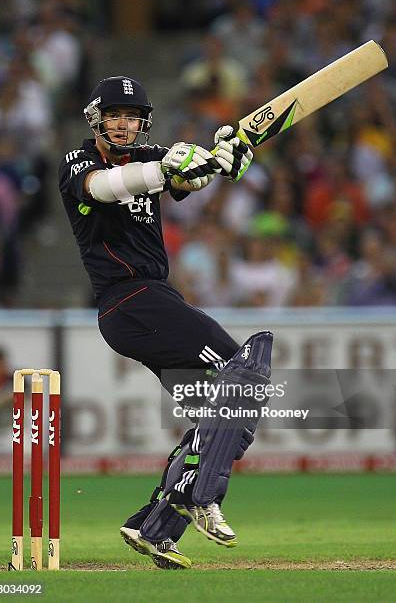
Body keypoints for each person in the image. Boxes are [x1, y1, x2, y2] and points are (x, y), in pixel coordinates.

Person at [58, 76, 254, 569]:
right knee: (241, 369)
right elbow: (105, 187)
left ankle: (156, 522)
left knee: (229, 417)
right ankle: (199, 495)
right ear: (96, 119)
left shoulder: (152, 156)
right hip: (129, 299)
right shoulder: (79, 163)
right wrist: (165, 167)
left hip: (152, 303)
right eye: (115, 116)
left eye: (133, 118)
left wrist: (226, 158)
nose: (124, 126)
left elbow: (191, 177)